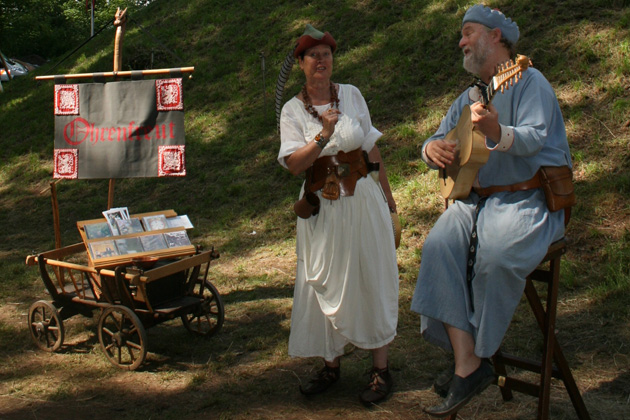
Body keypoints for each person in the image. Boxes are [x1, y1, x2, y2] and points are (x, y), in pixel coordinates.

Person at [410, 4, 573, 417]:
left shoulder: (530, 81)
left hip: (526, 200)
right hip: (476, 201)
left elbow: (536, 137)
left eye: (468, 32)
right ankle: (469, 362)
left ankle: (471, 360)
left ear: (496, 37)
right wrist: (431, 149)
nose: (461, 41)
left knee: (495, 256)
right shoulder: (469, 97)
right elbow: (438, 138)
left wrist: (498, 131)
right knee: (438, 247)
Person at [278, 24, 399, 406]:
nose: (321, 61)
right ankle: (331, 365)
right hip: (322, 205)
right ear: (301, 63)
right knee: (322, 280)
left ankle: (381, 369)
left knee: (371, 273)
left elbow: (372, 151)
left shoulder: (352, 95)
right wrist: (322, 134)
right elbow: (294, 165)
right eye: (312, 55)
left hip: (362, 199)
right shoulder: (293, 110)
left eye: (326, 54)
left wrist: (390, 202)